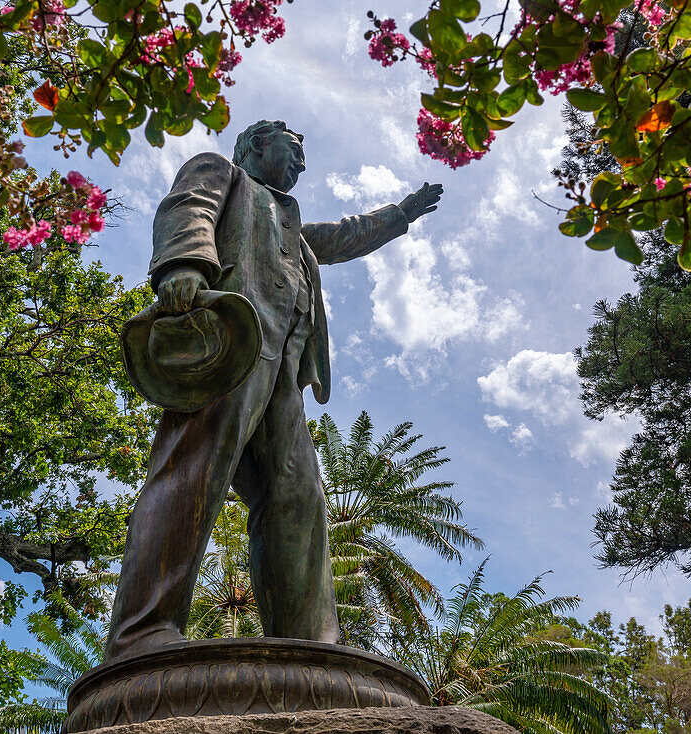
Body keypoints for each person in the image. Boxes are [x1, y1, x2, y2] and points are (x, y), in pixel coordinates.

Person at [107, 120, 443, 659]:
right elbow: (189, 204)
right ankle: (142, 631)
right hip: (232, 340)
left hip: (287, 368)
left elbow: (342, 237)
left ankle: (309, 641)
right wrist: (186, 262)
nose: (302, 165)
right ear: (256, 144)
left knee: (297, 495)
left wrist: (400, 214)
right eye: (295, 150)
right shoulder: (225, 172)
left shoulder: (292, 227)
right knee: (192, 469)